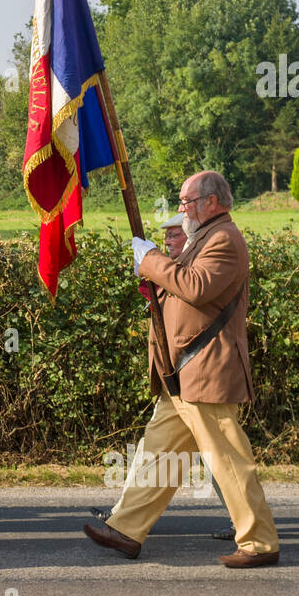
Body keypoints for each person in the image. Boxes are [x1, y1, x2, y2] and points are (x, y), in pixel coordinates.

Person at [84, 171, 280, 568]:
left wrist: (151, 260)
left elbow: (195, 287)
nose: (181, 208)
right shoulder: (206, 237)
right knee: (156, 455)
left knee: (227, 459)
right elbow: (184, 291)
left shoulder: (224, 239)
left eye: (186, 201)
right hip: (185, 372)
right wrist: (153, 269)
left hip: (206, 371)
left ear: (211, 202)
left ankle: (259, 543)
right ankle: (126, 529)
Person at [91, 211, 235, 541]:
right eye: (166, 235)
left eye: (174, 234)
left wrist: (155, 268)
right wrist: (150, 276)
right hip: (177, 378)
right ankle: (125, 519)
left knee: (218, 459)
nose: (167, 240)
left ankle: (250, 527)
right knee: (155, 451)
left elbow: (191, 299)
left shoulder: (192, 270)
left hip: (200, 378)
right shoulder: (173, 269)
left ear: (192, 238)